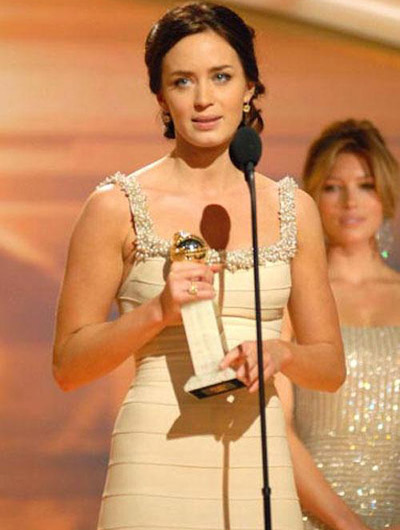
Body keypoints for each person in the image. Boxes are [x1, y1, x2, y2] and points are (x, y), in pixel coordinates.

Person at [52, 3, 345, 529]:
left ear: (250, 87)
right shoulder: (115, 206)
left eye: (221, 77)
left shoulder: (292, 208)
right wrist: (156, 312)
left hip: (259, 463)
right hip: (154, 465)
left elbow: (329, 367)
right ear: (161, 97)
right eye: (183, 81)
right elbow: (69, 366)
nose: (204, 98)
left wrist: (280, 353)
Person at [277, 119, 400, 530]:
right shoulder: (290, 297)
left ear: (386, 194)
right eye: (333, 187)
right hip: (314, 517)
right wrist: (346, 524)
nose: (350, 202)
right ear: (312, 196)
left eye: (366, 185)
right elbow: (276, 427)